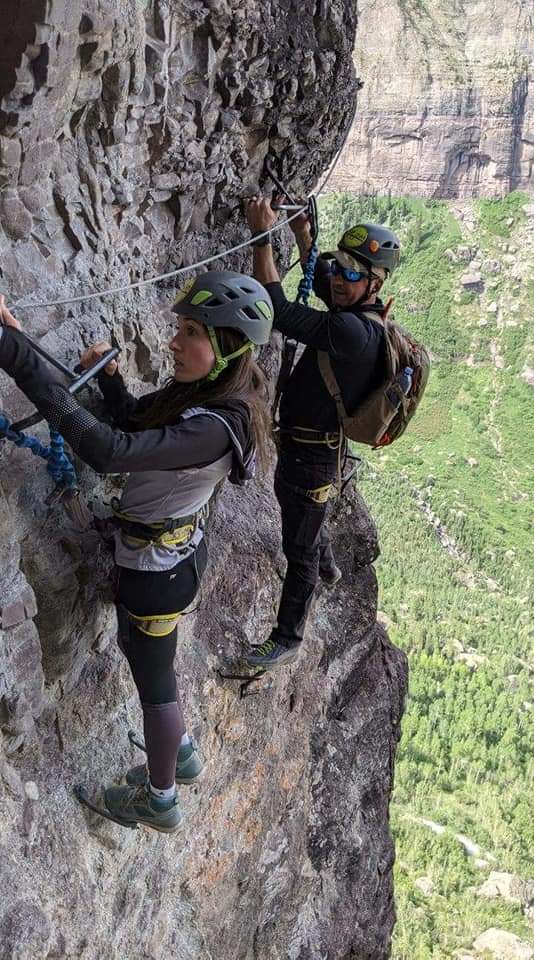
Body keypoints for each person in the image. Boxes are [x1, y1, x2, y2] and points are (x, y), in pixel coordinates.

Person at [0, 273, 273, 832]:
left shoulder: (217, 427)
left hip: (157, 574)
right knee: (149, 662)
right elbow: (132, 423)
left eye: (190, 331)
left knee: (156, 689)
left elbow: (109, 449)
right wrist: (112, 384)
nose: (174, 341)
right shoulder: (207, 392)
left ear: (225, 347)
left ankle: (161, 798)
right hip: (167, 560)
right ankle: (183, 751)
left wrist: (9, 352)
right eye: (180, 328)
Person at [244, 199, 401, 670]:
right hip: (311, 449)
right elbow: (325, 273)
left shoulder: (354, 333)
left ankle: (288, 636)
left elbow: (276, 309)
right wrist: (302, 236)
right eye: (342, 266)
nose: (339, 277)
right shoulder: (356, 311)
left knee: (299, 549)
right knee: (307, 527)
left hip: (310, 460)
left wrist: (261, 234)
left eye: (353, 273)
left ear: (374, 284)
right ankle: (328, 564)